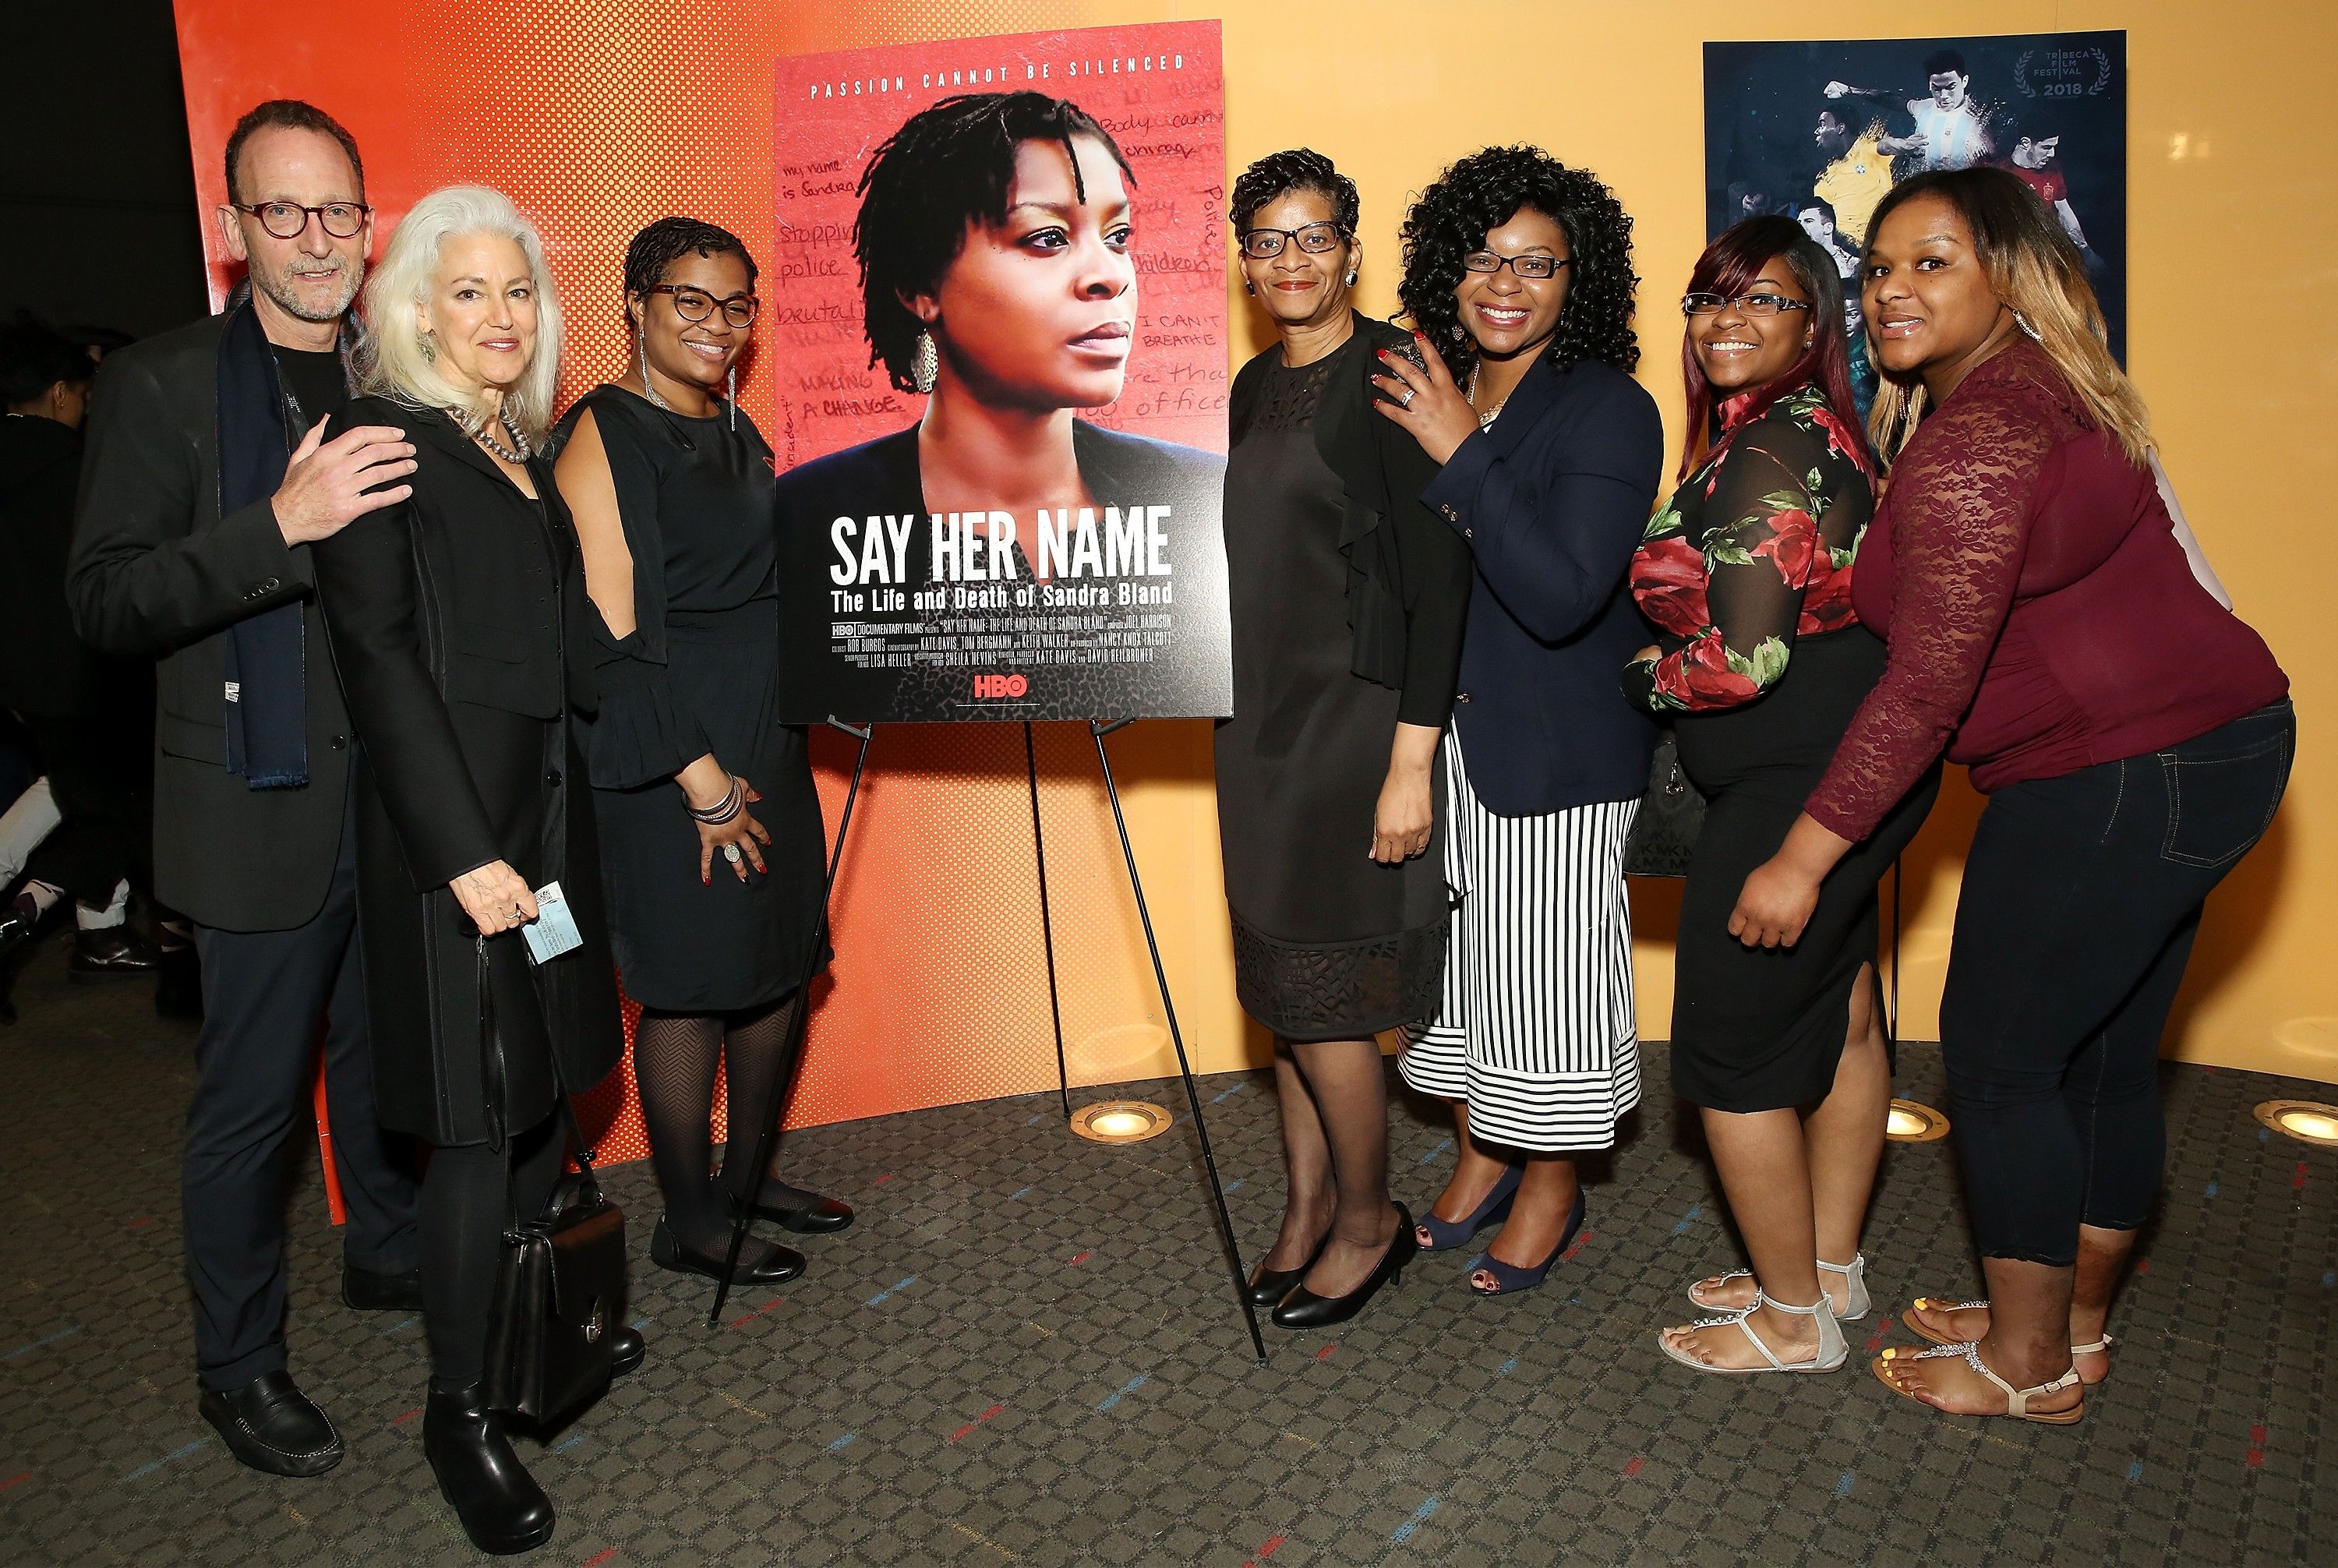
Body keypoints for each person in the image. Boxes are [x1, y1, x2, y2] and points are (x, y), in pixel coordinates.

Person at [1733, 169, 2292, 1421]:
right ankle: (2068, 1328)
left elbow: (1927, 687)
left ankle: (2026, 1366)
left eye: (1932, 262)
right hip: (2214, 745)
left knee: (2000, 1065)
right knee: (2103, 1059)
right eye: (1880, 267)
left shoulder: (1981, 435)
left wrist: (1801, 859)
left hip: (2118, 770)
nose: (1892, 289)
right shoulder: (2042, 388)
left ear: (2010, 275)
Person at [66, 99, 422, 1478]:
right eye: (284, 211)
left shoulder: (398, 369)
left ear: (369, 222)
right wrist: (280, 524)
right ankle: (238, 1366)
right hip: (253, 803)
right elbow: (105, 600)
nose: (316, 239)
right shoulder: (162, 385)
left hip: (394, 800)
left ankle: (387, 1251)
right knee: (250, 1109)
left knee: (387, 1059)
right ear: (234, 229)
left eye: (339, 210)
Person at [313, 184, 642, 1554]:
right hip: (458, 852)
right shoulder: (381, 440)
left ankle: (527, 1324)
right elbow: (379, 663)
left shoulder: (513, 444)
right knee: (469, 1128)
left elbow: (572, 649)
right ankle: (459, 1412)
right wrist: (463, 856)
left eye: (518, 291)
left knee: (538, 1096)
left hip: (546, 835)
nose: (500, 316)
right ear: (415, 310)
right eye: (468, 292)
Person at [1619, 217, 1938, 1375]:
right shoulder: (1814, 429)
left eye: (1765, 299)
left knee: (1730, 1057)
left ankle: (1792, 1318)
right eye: (1713, 298)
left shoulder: (1764, 452)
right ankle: (1827, 1268)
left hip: (1794, 789)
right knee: (1844, 1016)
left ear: (1815, 326)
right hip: (1852, 768)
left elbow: (1742, 662)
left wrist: (1640, 674)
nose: (1730, 320)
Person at [1372, 147, 1662, 1297]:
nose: (1506, 284)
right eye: (1485, 258)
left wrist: (1459, 448)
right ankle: (1483, 1153)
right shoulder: (1430, 383)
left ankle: (1552, 1183)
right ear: (1448, 268)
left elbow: (1560, 593)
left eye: (1538, 263)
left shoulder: (1608, 409)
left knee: (1547, 991)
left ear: (1577, 280)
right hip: (1439, 740)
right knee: (1465, 978)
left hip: (1555, 751)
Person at [553, 217, 842, 1288]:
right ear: (636, 304)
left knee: (777, 967)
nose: (717, 324)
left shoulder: (732, 425)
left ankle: (747, 1176)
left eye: (735, 305)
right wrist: (702, 782)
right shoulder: (603, 432)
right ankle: (689, 1219)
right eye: (690, 300)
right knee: (690, 987)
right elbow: (609, 634)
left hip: (768, 736)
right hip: (675, 756)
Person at [1217, 150, 1471, 1329]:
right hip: (1259, 724)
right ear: (1245, 261)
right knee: (1284, 989)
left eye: (1314, 236)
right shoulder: (1251, 386)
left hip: (1352, 728)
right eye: (1269, 240)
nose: (1292, 260)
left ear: (1352, 251)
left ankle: (1372, 1223)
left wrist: (1410, 762)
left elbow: (1440, 579)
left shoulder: (1393, 375)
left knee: (1327, 1000)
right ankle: (1309, 1205)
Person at [772, 90, 1225, 722]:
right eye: (1047, 237)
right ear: (921, 286)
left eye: (1118, 235)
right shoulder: (809, 516)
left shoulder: (1201, 496)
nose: (1110, 275)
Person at [1, 314, 160, 994]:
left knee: (82, 797)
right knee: (130, 810)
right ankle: (30, 909)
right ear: (62, 393)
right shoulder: (76, 473)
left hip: (23, 683)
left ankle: (95, 932)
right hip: (93, 671)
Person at [1827, 50, 1994, 173]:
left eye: (1951, 87)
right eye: (1936, 89)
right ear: (1929, 86)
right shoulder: (1926, 108)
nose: (1944, 96)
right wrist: (1850, 90)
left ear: (1964, 81)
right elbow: (1891, 100)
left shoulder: (1977, 120)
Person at [1995, 117, 2094, 256]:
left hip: (2048, 251)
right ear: (2025, 143)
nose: (2052, 154)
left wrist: (2084, 249)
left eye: (2054, 147)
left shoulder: (2053, 170)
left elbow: (2063, 210)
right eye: (2046, 148)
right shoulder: (1997, 174)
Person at [1810, 107, 1894, 250]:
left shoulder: (1866, 149)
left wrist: (1906, 145)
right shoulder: (1823, 178)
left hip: (1881, 245)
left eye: (1822, 125)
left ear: (1840, 128)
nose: (1817, 131)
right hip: (1847, 252)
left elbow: (1887, 145)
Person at [1794, 199, 1860, 280]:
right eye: (1799, 222)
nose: (1801, 227)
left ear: (1828, 228)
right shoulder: (1794, 263)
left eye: (1808, 221)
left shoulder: (1852, 267)